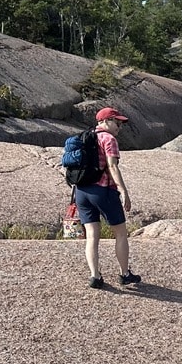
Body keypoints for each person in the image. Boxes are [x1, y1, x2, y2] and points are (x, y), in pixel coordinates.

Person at [75, 107, 140, 289]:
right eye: (116, 122)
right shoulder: (108, 139)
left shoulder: (84, 136)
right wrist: (123, 190)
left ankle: (95, 276)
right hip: (103, 191)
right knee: (120, 233)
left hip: (82, 192)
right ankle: (125, 274)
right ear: (103, 121)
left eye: (120, 123)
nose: (119, 126)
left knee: (92, 235)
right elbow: (112, 167)